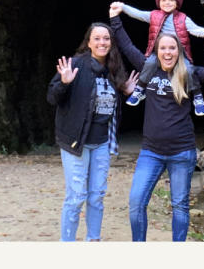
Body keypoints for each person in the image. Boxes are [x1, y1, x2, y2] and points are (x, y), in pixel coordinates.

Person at [109, 2, 204, 242]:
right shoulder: (148, 69)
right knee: (136, 203)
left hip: (182, 153)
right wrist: (115, 19)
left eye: (172, 48)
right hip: (151, 152)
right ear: (157, 51)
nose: (168, 52)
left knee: (180, 206)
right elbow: (126, 45)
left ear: (179, 51)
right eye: (163, 48)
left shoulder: (189, 73)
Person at [47, 22, 138, 242]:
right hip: (75, 141)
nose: (102, 42)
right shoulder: (75, 65)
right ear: (89, 42)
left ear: (111, 42)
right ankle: (66, 243)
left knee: (96, 196)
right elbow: (52, 97)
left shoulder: (114, 69)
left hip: (102, 143)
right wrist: (64, 83)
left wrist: (124, 91)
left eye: (106, 38)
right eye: (97, 38)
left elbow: (108, 106)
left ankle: (93, 240)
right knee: (76, 196)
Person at [111, 0, 204, 115]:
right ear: (159, 1)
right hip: (159, 53)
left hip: (179, 54)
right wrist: (123, 7)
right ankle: (140, 89)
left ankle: (198, 96)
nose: (167, 2)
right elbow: (138, 13)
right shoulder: (154, 16)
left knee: (189, 70)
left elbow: (195, 30)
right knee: (149, 64)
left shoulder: (183, 19)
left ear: (177, 2)